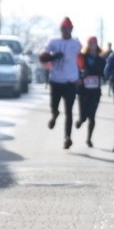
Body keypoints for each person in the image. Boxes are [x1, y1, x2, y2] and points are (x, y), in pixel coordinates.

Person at [39, 17, 82, 149]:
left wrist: (80, 76)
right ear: (60, 29)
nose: (65, 31)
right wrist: (53, 56)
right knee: (54, 106)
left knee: (69, 111)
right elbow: (42, 57)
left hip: (70, 81)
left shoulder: (76, 44)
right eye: (63, 29)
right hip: (56, 80)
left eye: (68, 28)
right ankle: (54, 115)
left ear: (72, 29)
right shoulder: (54, 42)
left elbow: (80, 60)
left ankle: (67, 137)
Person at [74, 36, 107, 147]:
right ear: (87, 44)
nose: (92, 44)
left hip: (95, 91)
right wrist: (78, 79)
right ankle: (80, 121)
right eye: (90, 42)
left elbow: (105, 74)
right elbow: (76, 69)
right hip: (83, 91)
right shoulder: (82, 57)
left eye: (94, 42)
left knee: (92, 116)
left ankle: (89, 139)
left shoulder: (101, 60)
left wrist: (108, 77)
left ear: (97, 44)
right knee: (84, 116)